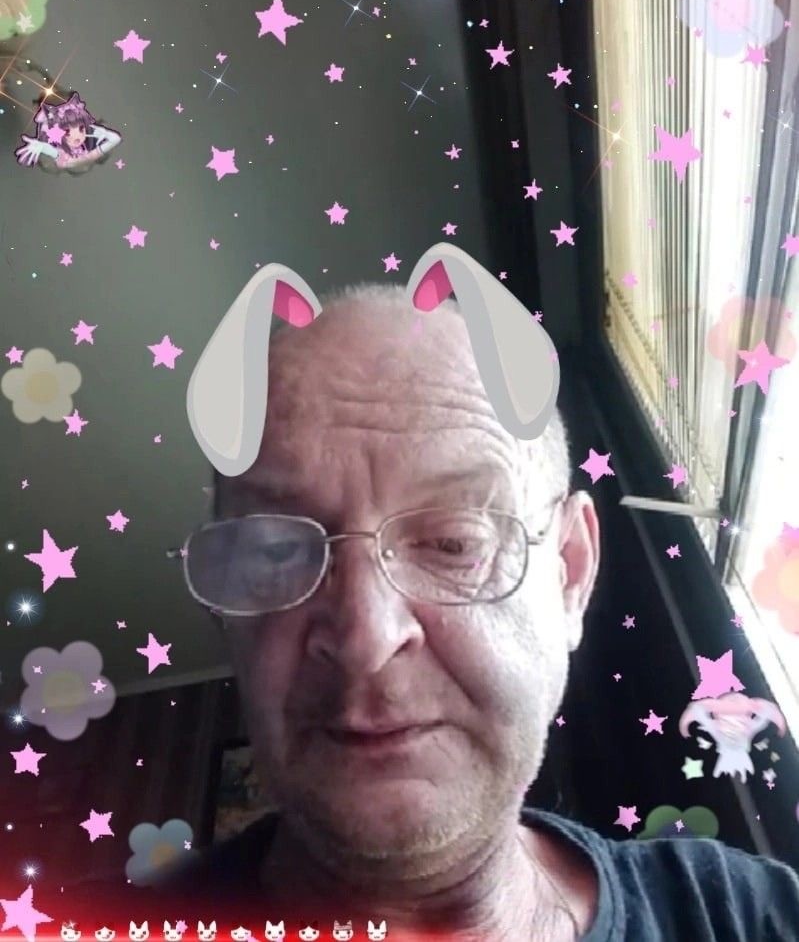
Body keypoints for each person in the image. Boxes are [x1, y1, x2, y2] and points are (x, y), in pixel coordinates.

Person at [60, 282, 799, 940]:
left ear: (570, 571)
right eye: (278, 551)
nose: (365, 637)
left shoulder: (745, 915)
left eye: (452, 542)